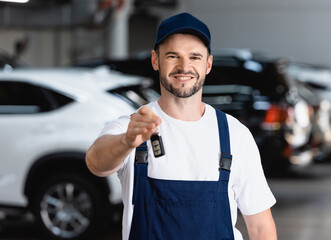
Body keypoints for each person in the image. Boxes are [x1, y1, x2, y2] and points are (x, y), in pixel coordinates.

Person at [86, 12, 277, 240]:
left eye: (194, 57)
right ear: (156, 60)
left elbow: (260, 228)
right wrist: (126, 142)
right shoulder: (132, 127)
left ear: (208, 64)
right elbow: (96, 163)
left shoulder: (235, 135)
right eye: (173, 56)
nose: (184, 66)